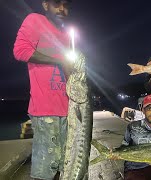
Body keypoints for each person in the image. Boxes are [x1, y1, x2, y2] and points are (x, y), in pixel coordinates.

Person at [13, 0, 74, 179]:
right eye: (57, 3)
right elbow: (20, 51)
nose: (62, 9)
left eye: (66, 5)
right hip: (46, 109)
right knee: (45, 170)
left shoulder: (65, 34)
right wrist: (59, 60)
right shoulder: (35, 20)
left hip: (68, 110)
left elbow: (68, 69)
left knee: (64, 166)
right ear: (45, 4)